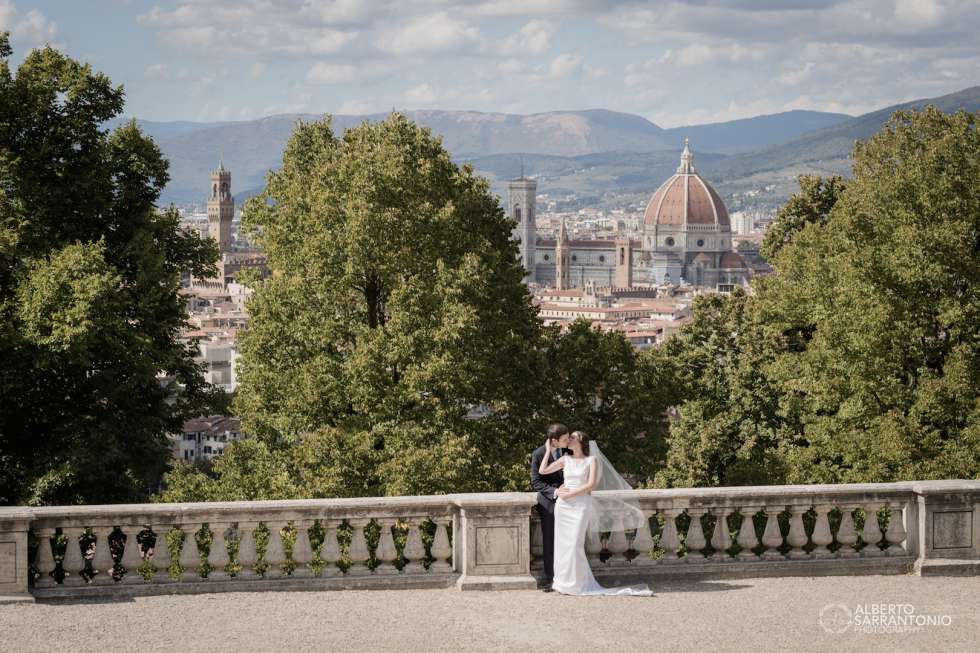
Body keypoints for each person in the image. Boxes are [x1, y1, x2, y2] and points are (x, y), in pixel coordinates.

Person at [538, 430, 652, 596]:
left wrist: (571, 494)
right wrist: (548, 449)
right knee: (562, 546)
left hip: (580, 505)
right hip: (563, 506)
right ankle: (562, 583)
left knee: (575, 544)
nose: (569, 439)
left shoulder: (591, 460)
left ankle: (577, 583)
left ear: (581, 441)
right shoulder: (565, 459)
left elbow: (590, 485)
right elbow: (543, 471)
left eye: (572, 437)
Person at [530, 423, 570, 592]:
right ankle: (551, 578)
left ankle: (569, 576)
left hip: (570, 497)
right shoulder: (538, 454)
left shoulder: (570, 451)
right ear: (554, 441)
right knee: (550, 540)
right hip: (549, 501)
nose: (568, 441)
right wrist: (555, 492)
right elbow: (536, 482)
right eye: (565, 439)